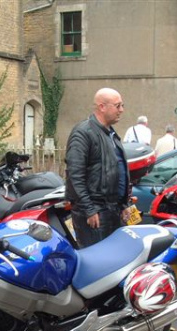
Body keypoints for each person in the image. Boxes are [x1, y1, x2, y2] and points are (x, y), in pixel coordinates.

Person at [65, 88, 132, 248]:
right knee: (98, 262)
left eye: (122, 105)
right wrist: (89, 210)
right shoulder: (83, 133)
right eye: (118, 106)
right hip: (95, 212)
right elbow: (75, 175)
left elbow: (117, 171)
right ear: (102, 107)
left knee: (117, 258)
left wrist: (123, 204)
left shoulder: (110, 134)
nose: (121, 110)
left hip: (113, 209)